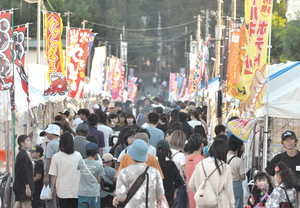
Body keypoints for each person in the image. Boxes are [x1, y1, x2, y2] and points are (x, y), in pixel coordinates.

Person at [113, 139, 164, 207]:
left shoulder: (123, 173)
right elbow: (159, 197)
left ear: (131, 155)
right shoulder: (155, 172)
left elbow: (121, 198)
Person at [188, 139, 235, 208]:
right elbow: (229, 191)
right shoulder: (225, 167)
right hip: (220, 204)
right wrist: (232, 205)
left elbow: (191, 185)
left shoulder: (200, 164)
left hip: (203, 204)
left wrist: (203, 194)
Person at [265, 130, 300, 204]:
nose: (289, 142)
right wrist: (274, 186)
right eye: (286, 140)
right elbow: (266, 172)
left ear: (296, 141)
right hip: (283, 198)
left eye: (291, 139)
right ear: (282, 143)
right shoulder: (279, 158)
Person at [49, 133, 83, 208]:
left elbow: (54, 175)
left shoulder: (56, 157)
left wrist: (52, 188)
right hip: (76, 189)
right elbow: (82, 172)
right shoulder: (78, 155)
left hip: (62, 190)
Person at [156, 140, 184, 207]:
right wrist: (175, 193)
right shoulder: (171, 164)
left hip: (154, 196)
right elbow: (179, 182)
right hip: (169, 197)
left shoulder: (153, 164)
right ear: (168, 151)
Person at [77, 142, 104, 208]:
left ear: (86, 152)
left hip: (82, 192)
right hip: (94, 193)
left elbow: (78, 170)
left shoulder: (81, 162)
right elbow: (99, 180)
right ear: (96, 153)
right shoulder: (99, 165)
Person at [169, 130, 188, 208]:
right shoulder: (181, 155)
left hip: (169, 184)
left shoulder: (167, 152)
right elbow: (185, 173)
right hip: (179, 185)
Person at [43, 124, 61, 208]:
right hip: (60, 173)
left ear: (52, 133)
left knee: (51, 196)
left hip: (51, 173)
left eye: (47, 133)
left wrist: (46, 176)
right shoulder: (62, 142)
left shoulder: (51, 144)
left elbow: (48, 161)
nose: (46, 135)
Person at [185, 134, 205, 208]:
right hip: (200, 193)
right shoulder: (202, 160)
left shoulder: (187, 158)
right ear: (201, 145)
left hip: (190, 191)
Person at [13, 135, 33, 208]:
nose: (30, 143)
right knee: (26, 204)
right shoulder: (23, 155)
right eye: (27, 141)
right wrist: (27, 187)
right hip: (23, 185)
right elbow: (24, 171)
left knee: (18, 203)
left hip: (19, 184)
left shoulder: (21, 154)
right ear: (22, 143)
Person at [227, 135, 246, 208]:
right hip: (236, 185)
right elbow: (243, 177)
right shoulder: (238, 160)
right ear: (237, 148)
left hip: (226, 183)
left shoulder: (223, 158)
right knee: (237, 203)